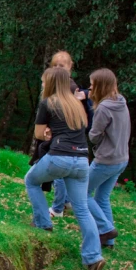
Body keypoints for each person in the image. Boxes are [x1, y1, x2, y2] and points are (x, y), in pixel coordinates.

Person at [25, 67, 104, 270]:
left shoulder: (47, 103)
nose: (42, 85)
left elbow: (39, 134)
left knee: (31, 180)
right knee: (81, 208)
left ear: (51, 83)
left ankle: (43, 223)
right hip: (81, 160)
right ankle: (94, 256)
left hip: (59, 157)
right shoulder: (76, 105)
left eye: (44, 82)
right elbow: (80, 129)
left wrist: (49, 131)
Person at [87, 68, 130, 249]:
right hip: (122, 158)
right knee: (102, 198)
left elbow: (94, 136)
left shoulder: (104, 108)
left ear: (100, 87)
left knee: (81, 194)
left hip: (106, 160)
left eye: (92, 85)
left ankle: (105, 229)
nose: (89, 88)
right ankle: (109, 241)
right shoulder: (121, 101)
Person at [47, 50, 93, 218]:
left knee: (59, 171)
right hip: (61, 132)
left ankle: (57, 207)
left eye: (62, 66)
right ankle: (66, 201)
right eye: (55, 66)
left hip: (68, 134)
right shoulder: (56, 85)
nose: (58, 69)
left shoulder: (71, 87)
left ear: (70, 67)